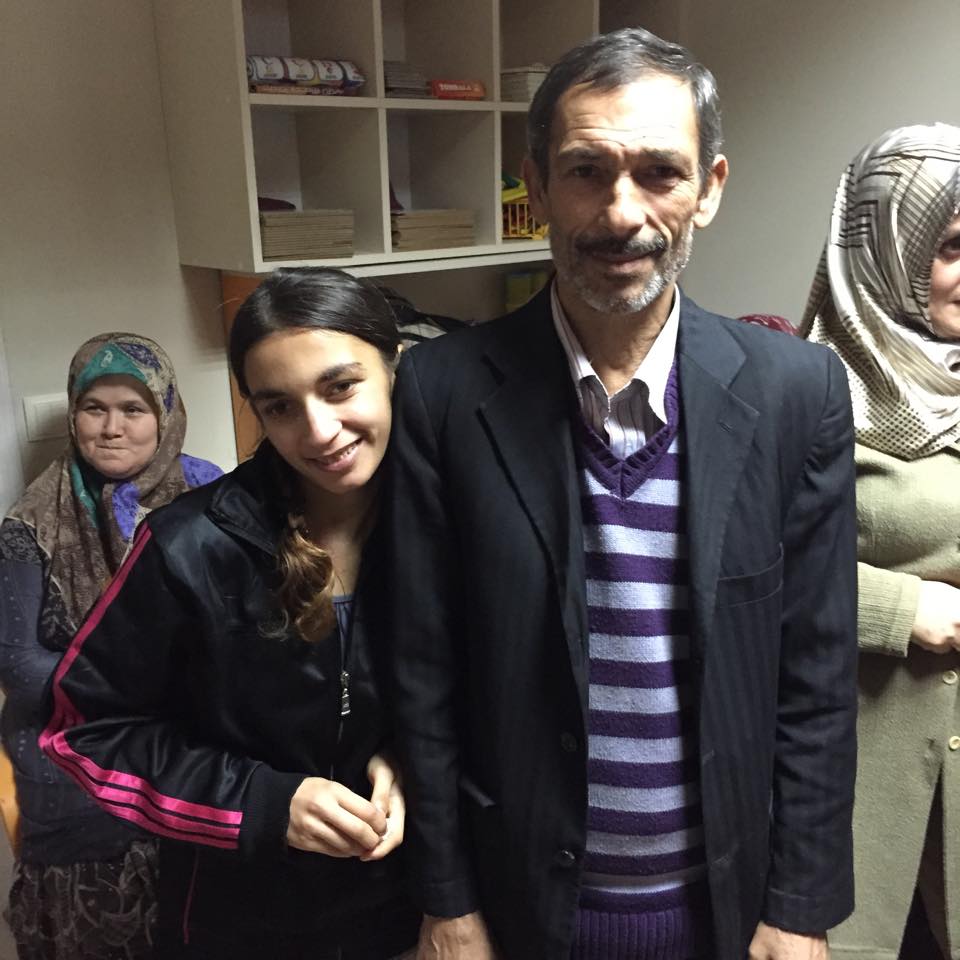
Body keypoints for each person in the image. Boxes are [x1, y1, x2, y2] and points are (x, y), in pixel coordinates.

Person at [382, 27, 858, 960]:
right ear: (534, 185)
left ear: (710, 188)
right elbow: (423, 671)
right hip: (518, 912)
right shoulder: (442, 390)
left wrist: (801, 910)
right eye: (585, 171)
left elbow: (818, 678)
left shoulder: (797, 392)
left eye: (659, 173)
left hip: (727, 913)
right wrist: (446, 900)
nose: (621, 211)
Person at [39, 269, 420, 959]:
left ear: (392, 368)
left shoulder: (444, 520)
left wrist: (413, 757)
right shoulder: (191, 545)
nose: (319, 430)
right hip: (240, 921)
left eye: (340, 387)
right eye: (280, 406)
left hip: (412, 907)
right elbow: (85, 731)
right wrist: (263, 802)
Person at [0, 332, 222, 959]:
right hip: (75, 735)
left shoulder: (210, 495)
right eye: (94, 408)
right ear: (73, 415)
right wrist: (140, 686)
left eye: (133, 409)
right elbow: (19, 664)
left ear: (165, 415)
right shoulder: (30, 522)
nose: (112, 427)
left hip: (196, 723)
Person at [799, 123, 960, 960]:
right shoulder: (804, 396)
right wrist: (899, 607)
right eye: (953, 247)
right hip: (866, 787)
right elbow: (740, 570)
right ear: (886, 250)